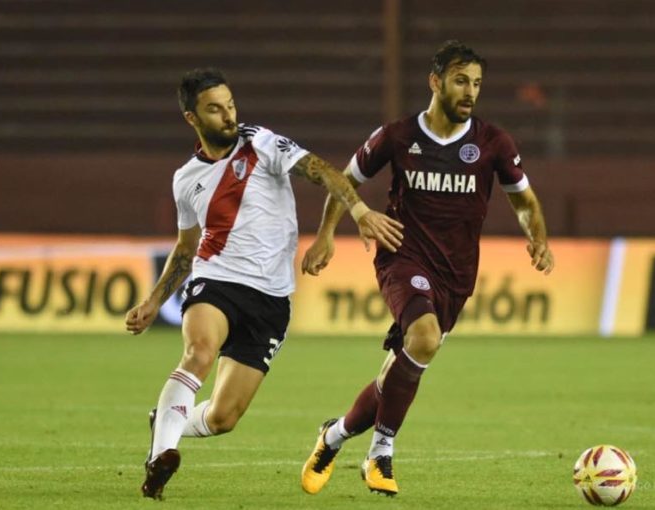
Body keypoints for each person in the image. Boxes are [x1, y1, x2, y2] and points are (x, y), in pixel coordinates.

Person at [125, 68, 403, 500]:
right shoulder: (186, 179)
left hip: (272, 298)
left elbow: (323, 171)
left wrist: (358, 213)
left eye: (230, 104)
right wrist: (152, 300)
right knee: (198, 352)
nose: (228, 115)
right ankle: (162, 452)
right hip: (216, 280)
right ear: (192, 118)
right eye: (215, 109)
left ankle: (166, 416)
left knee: (223, 418)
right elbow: (185, 249)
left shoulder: (260, 142)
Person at [300, 40, 555, 497]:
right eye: (461, 81)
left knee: (396, 372)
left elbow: (525, 201)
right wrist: (325, 236)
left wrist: (537, 237)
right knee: (424, 338)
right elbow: (346, 181)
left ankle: (332, 436)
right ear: (435, 82)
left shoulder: (494, 142)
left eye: (477, 83)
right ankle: (381, 452)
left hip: (456, 275)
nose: (470, 92)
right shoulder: (397, 136)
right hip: (402, 256)